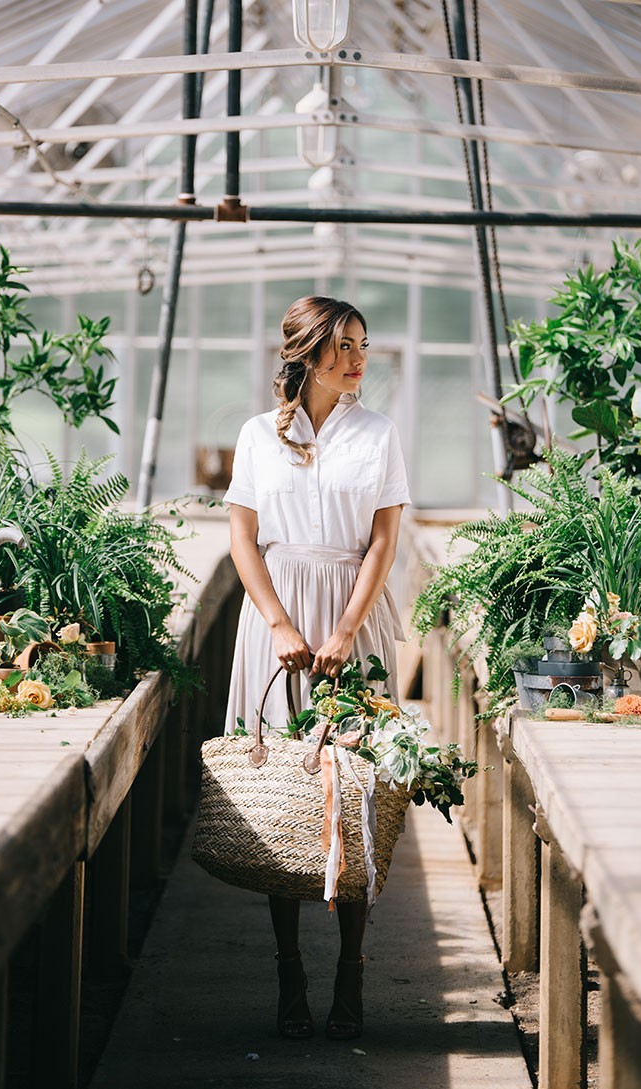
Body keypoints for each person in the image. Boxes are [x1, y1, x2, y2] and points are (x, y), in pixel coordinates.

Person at [222, 295, 411, 1041]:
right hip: (274, 619)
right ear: (306, 353)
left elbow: (384, 544)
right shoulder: (256, 436)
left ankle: (353, 967)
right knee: (283, 796)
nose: (359, 358)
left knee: (354, 792)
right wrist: (278, 623)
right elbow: (242, 538)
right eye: (344, 346)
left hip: (350, 621)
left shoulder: (378, 433)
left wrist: (343, 629)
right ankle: (288, 969)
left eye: (363, 344)